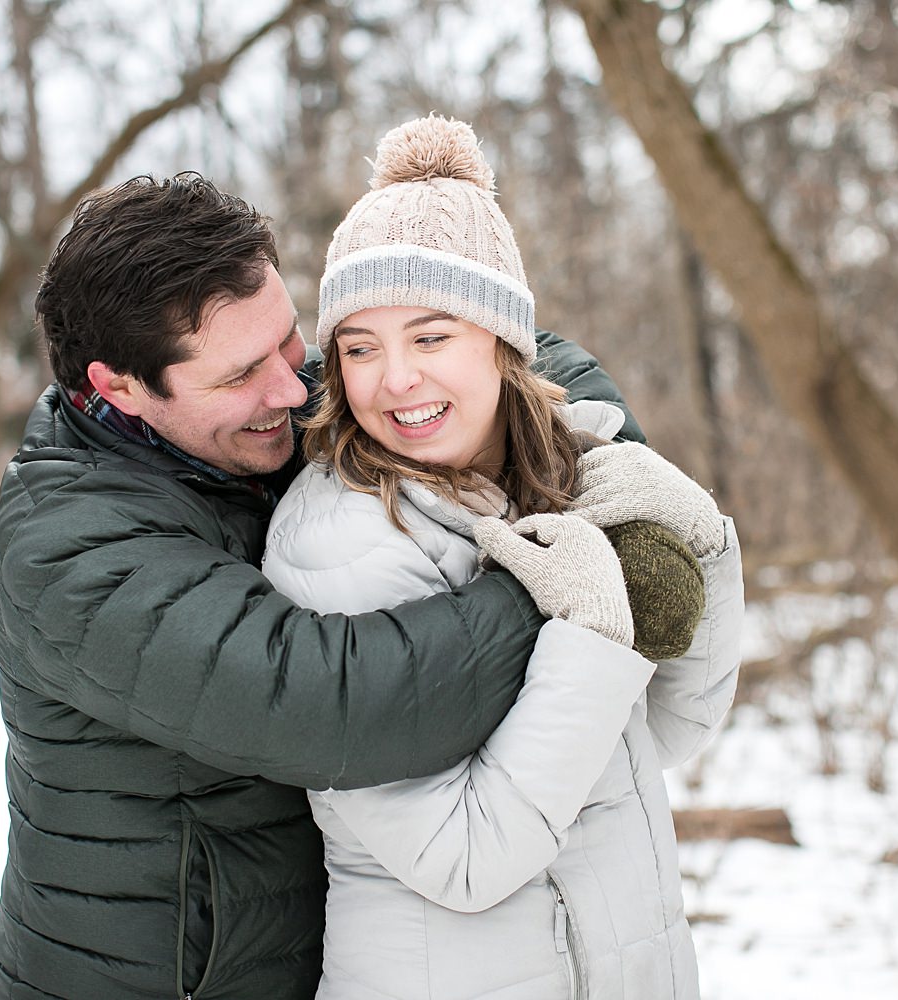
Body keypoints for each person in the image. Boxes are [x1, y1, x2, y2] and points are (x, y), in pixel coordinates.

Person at [0, 170, 666, 998]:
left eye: (290, 339)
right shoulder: (70, 552)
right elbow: (330, 702)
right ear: (119, 388)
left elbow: (509, 350)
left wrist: (575, 447)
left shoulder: (252, 418)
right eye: (240, 374)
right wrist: (560, 574)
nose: (292, 386)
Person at [260, 115, 744, 999]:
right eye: (359, 348)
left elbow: (669, 731)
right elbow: (466, 858)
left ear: (502, 338)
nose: (392, 379)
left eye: (431, 336)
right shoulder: (341, 547)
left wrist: (703, 553)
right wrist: (590, 636)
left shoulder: (566, 478)